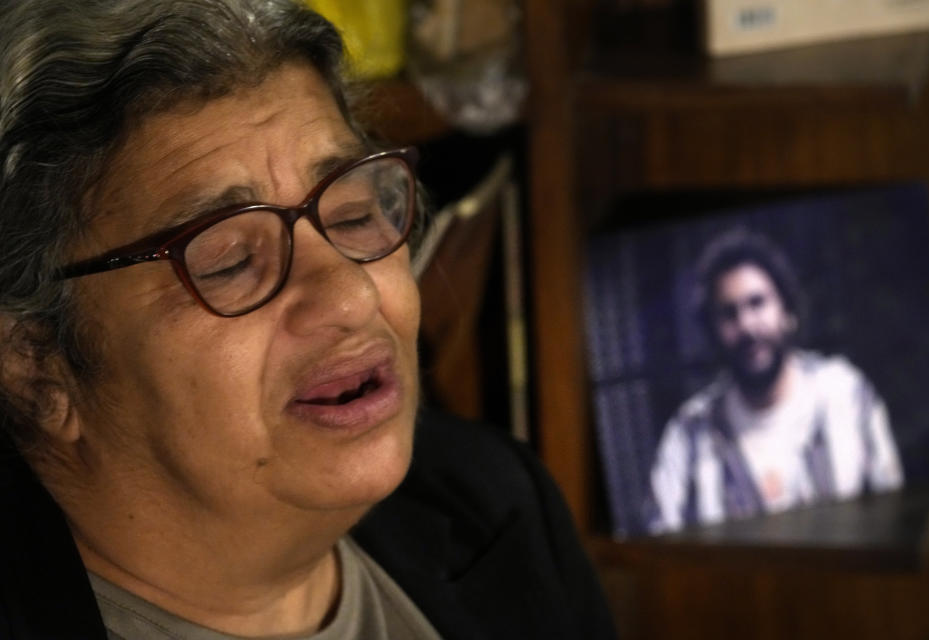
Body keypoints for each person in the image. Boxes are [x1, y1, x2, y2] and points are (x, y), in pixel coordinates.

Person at [0, 1, 616, 638]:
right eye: (230, 260)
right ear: (33, 361)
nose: (351, 296)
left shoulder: (492, 502)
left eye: (351, 213)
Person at [646, 228, 903, 533]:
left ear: (786, 310)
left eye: (757, 303)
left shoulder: (846, 396)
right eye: (729, 314)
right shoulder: (688, 436)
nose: (747, 326)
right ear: (713, 332)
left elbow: (894, 516)